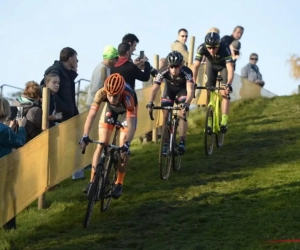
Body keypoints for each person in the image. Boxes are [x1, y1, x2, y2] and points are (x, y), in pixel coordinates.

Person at [79, 73, 137, 198]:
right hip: (111, 111)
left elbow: (131, 125)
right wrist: (85, 135)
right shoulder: (101, 93)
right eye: (109, 95)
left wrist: (127, 144)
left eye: (115, 96)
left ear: (120, 92)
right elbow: (91, 116)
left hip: (125, 112)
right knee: (101, 143)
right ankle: (92, 181)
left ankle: (119, 183)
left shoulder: (128, 96)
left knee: (123, 148)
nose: (111, 98)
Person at [146, 51, 195, 155]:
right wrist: (150, 102)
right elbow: (154, 89)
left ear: (181, 65)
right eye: (171, 67)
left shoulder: (187, 72)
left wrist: (186, 104)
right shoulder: (163, 71)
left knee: (182, 113)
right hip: (169, 91)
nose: (173, 70)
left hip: (182, 91)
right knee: (165, 115)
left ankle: (182, 141)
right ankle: (165, 143)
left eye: (176, 67)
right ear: (168, 66)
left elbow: (190, 91)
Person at [192, 32, 234, 133]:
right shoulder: (201, 48)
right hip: (211, 65)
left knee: (224, 92)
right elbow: (196, 66)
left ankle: (224, 121)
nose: (211, 50)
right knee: (208, 91)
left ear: (218, 45)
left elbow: (230, 68)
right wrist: (193, 81)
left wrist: (228, 83)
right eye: (209, 48)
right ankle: (209, 121)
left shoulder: (224, 48)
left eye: (214, 48)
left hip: (224, 66)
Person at [0, 97, 27, 230]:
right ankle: (9, 227)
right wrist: (21, 127)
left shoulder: (5, 130)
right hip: (4, 169)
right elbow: (19, 142)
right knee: (8, 196)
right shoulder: (4, 131)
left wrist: (10, 129)